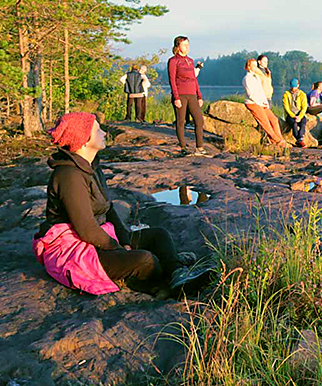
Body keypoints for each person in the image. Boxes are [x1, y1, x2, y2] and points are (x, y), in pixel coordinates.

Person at [33, 112, 209, 298]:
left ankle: (177, 272)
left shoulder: (91, 167)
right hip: (76, 247)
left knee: (159, 235)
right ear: (84, 140)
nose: (103, 133)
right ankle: (164, 285)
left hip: (98, 237)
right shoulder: (69, 176)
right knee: (145, 260)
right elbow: (86, 230)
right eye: (98, 130)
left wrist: (124, 240)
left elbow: (108, 209)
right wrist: (117, 248)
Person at [167, 35, 207, 155]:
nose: (187, 47)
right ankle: (183, 147)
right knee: (181, 122)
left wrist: (199, 96)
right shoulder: (173, 61)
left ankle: (199, 147)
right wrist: (176, 97)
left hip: (192, 95)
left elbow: (194, 79)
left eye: (188, 44)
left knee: (199, 120)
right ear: (178, 46)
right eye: (184, 45)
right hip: (180, 95)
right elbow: (172, 80)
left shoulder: (190, 61)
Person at [242, 59, 286, 147]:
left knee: (274, 119)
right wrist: (259, 103)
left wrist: (265, 102)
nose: (255, 67)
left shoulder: (257, 77)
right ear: (248, 67)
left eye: (256, 65)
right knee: (265, 121)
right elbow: (250, 94)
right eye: (253, 65)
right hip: (252, 103)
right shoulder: (247, 78)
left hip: (261, 102)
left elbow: (261, 92)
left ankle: (280, 139)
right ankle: (277, 140)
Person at [282, 78, 308, 147]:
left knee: (303, 122)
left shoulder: (302, 94)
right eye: (292, 87)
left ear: (298, 85)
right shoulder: (286, 94)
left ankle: (300, 138)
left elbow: (304, 107)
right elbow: (286, 108)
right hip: (291, 115)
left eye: (295, 86)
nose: (293, 88)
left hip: (299, 114)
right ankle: (299, 139)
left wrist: (300, 116)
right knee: (294, 124)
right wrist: (293, 116)